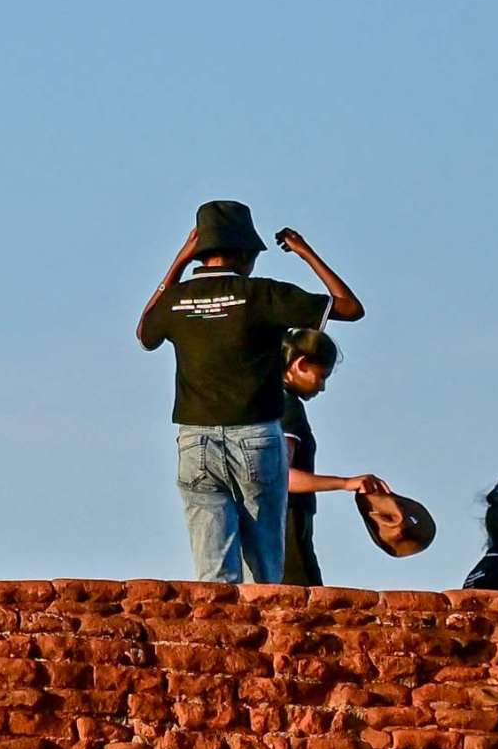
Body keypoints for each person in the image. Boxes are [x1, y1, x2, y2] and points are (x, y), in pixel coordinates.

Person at [134, 201, 365, 584]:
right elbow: (349, 308)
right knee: (264, 575)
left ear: (201, 250)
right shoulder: (261, 295)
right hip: (255, 436)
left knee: (213, 578)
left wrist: (177, 262)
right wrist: (306, 252)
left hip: (195, 440)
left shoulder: (176, 300)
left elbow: (145, 334)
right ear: (246, 255)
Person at [277, 332, 387, 588]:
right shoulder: (287, 406)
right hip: (286, 525)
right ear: (301, 364)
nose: (321, 386)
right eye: (321, 376)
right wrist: (345, 483)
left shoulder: (263, 400)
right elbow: (281, 475)